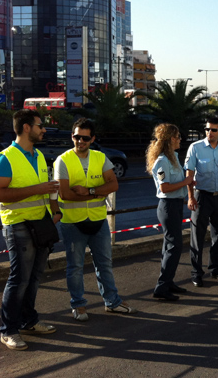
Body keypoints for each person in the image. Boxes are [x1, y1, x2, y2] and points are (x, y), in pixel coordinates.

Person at [55, 118, 137, 321]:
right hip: (73, 222)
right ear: (71, 136)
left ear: (92, 138)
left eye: (84, 137)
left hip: (98, 221)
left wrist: (89, 191)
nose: (80, 141)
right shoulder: (62, 160)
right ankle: (78, 305)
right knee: (75, 267)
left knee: (105, 264)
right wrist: (97, 193)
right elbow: (64, 194)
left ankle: (112, 302)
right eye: (76, 136)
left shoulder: (101, 158)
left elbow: (113, 184)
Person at [0, 109, 60, 350]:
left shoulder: (39, 156)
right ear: (27, 127)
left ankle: (29, 321)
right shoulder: (5, 159)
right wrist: (38, 189)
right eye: (40, 125)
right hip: (18, 224)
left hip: (40, 223)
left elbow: (45, 188)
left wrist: (54, 210)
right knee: (19, 279)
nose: (44, 129)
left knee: (33, 277)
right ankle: (8, 330)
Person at [185, 117, 218, 287]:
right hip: (202, 196)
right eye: (207, 129)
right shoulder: (196, 148)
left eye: (214, 130)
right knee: (197, 236)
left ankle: (216, 269)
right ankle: (196, 273)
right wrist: (191, 197)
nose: (210, 133)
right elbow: (189, 174)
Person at [147, 124, 193, 300]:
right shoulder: (162, 161)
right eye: (178, 137)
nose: (180, 139)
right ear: (170, 139)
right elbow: (165, 187)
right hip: (168, 205)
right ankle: (162, 288)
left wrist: (187, 182)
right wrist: (186, 181)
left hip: (175, 204)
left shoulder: (172, 157)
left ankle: (168, 281)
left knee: (170, 246)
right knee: (175, 246)